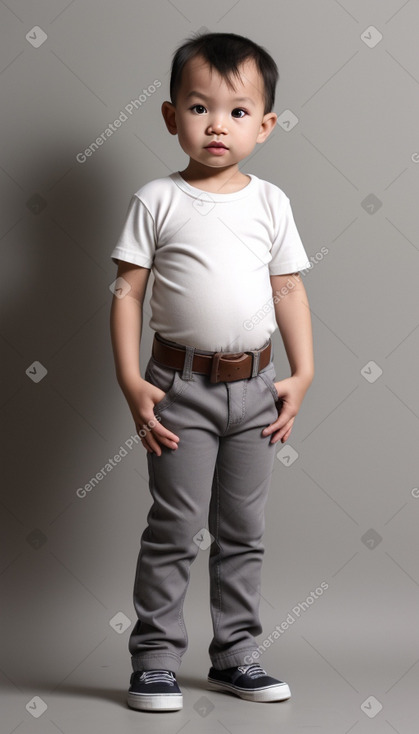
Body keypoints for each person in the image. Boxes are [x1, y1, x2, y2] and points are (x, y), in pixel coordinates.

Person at [109, 31, 314, 713]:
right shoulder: (156, 200)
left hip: (257, 390)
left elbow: (286, 290)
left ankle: (236, 655)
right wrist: (131, 381)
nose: (216, 125)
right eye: (198, 108)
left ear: (265, 124)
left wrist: (302, 371)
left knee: (242, 532)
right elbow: (128, 293)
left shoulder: (271, 203)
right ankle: (155, 662)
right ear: (171, 117)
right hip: (178, 390)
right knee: (172, 528)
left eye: (235, 111)